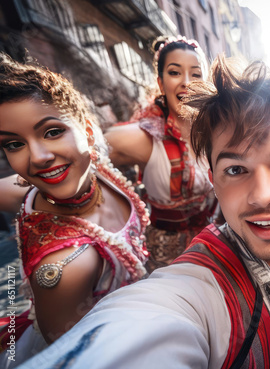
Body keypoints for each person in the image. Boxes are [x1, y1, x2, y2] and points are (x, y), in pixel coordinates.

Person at [19, 56, 270, 369]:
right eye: (236, 170)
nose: (263, 195)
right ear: (213, 180)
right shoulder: (201, 292)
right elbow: (144, 327)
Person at [0, 53, 149, 368]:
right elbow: (79, 358)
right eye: (14, 144)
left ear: (89, 134)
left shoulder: (89, 170)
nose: (38, 157)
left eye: (52, 132)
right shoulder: (67, 267)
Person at [104, 36, 217, 272]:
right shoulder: (146, 137)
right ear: (161, 83)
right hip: (166, 263)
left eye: (196, 74)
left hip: (213, 249)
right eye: (175, 72)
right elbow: (77, 154)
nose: (187, 83)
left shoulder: (217, 131)